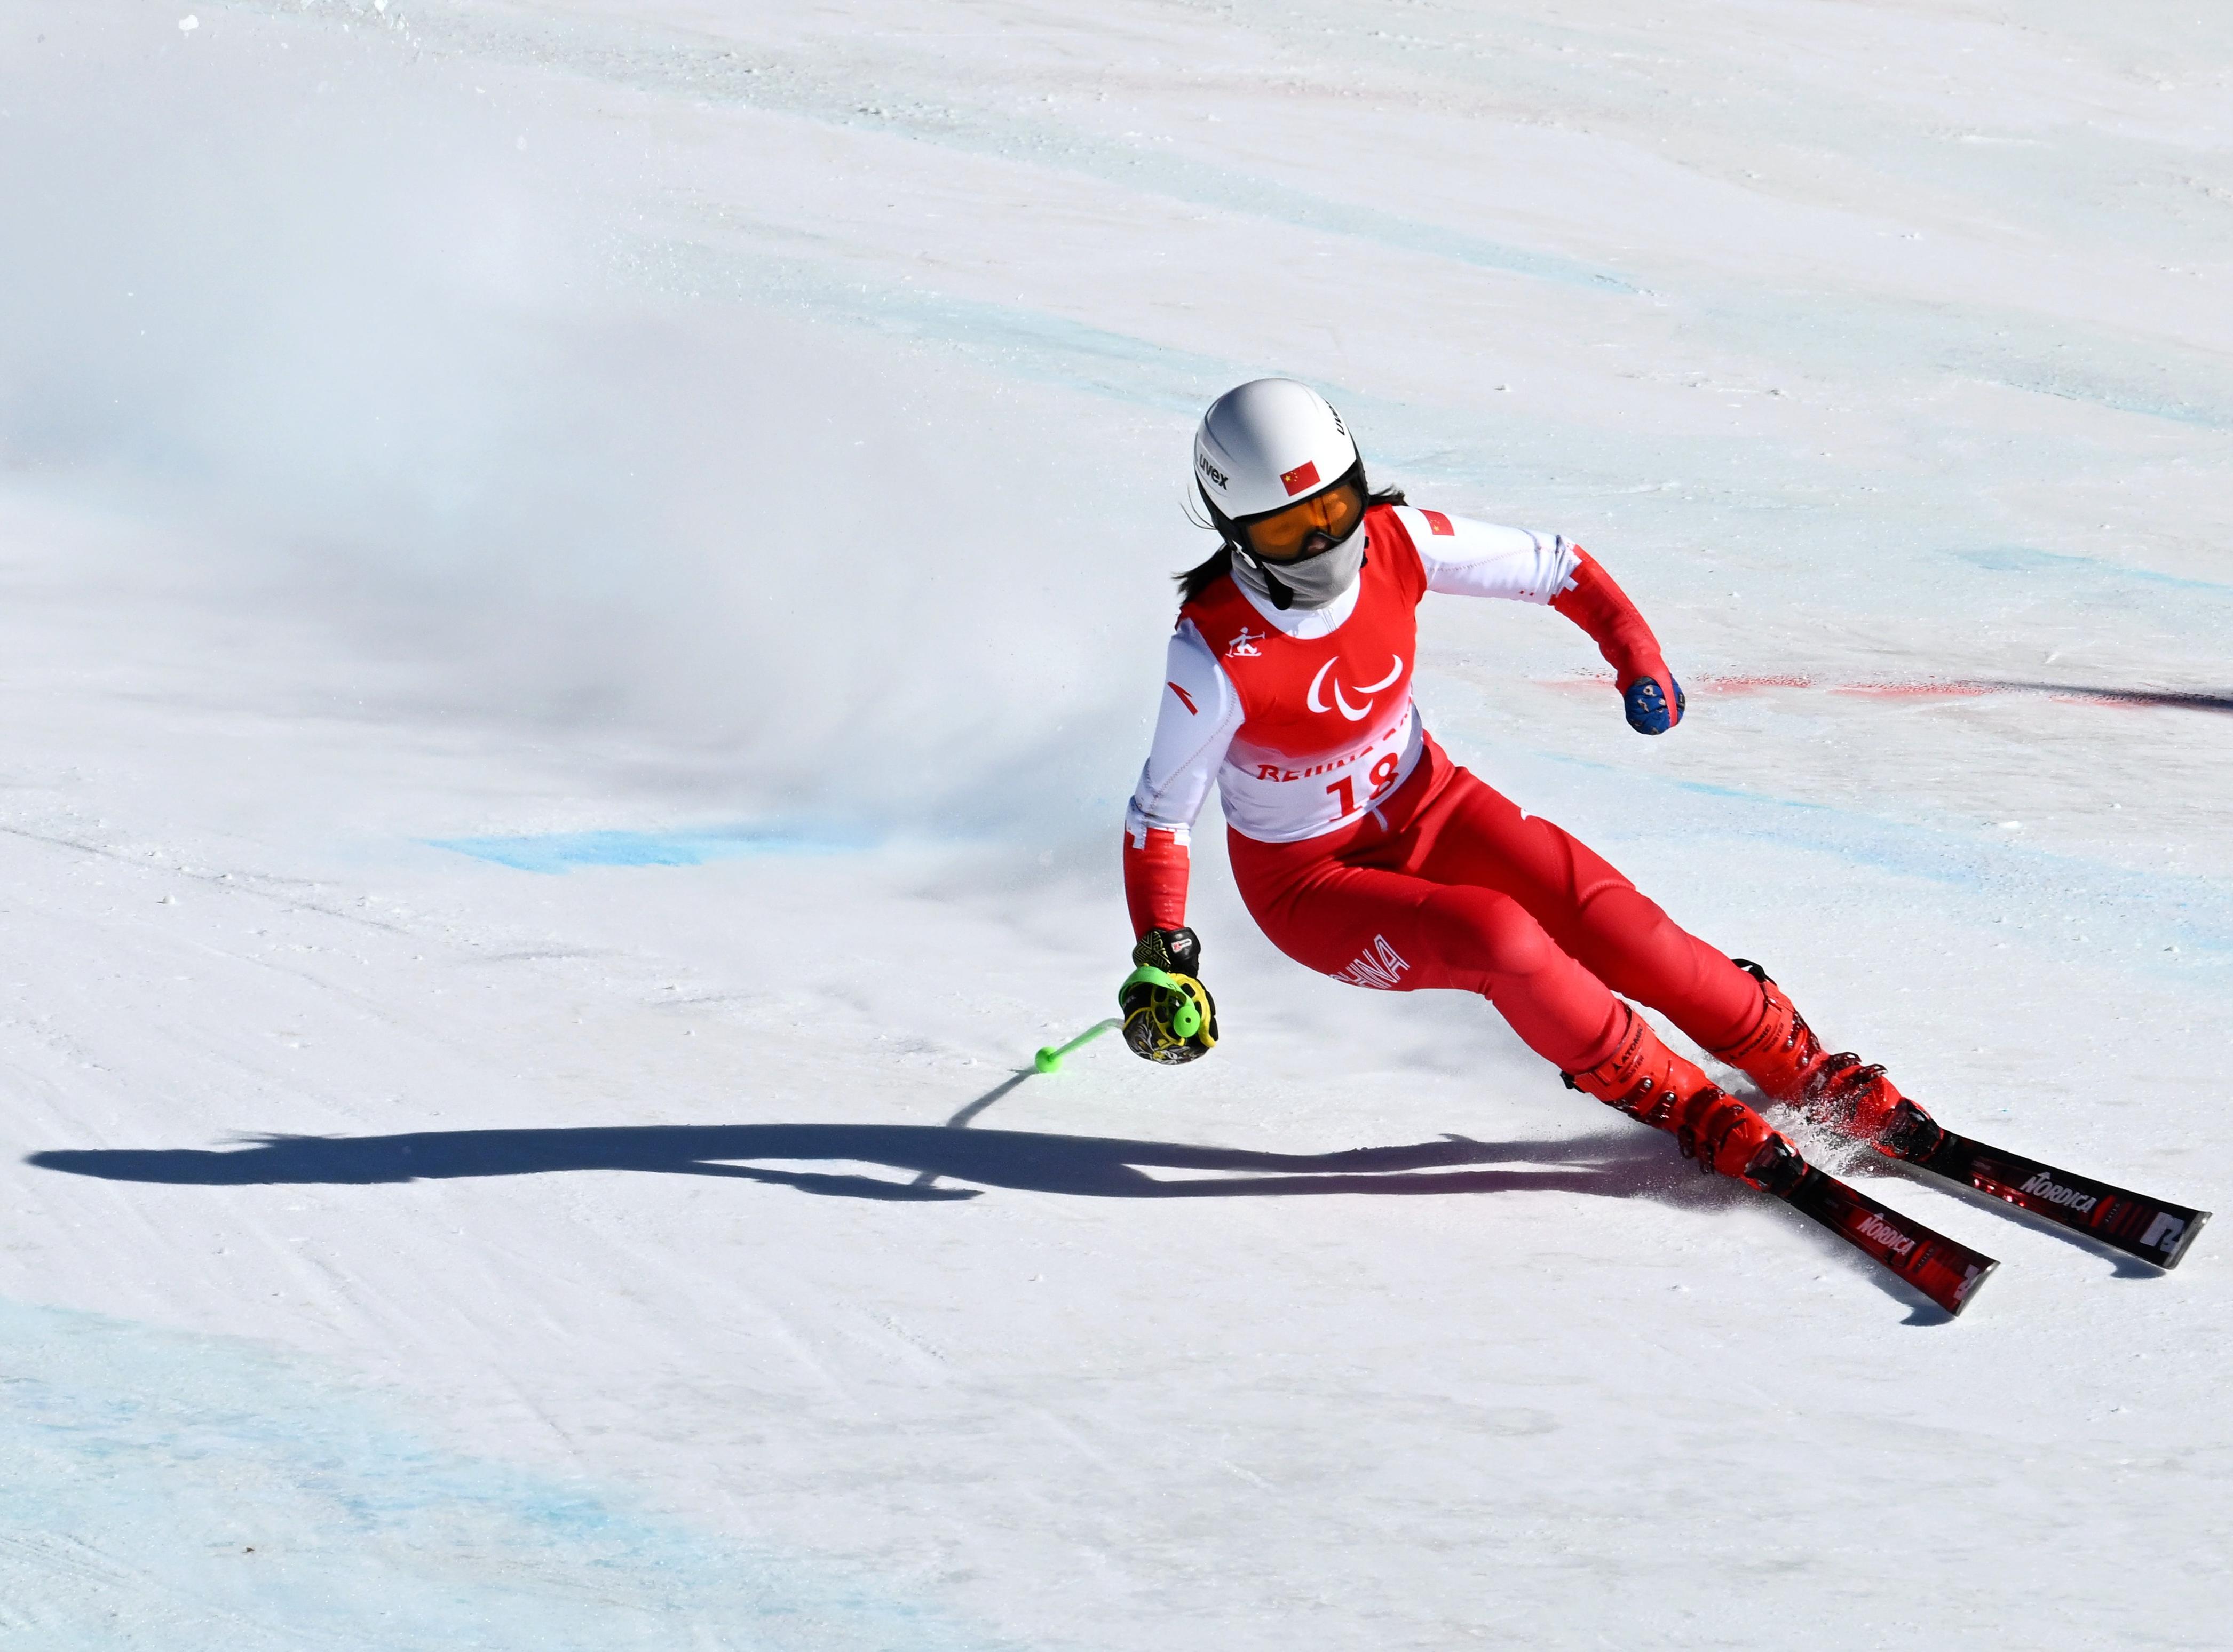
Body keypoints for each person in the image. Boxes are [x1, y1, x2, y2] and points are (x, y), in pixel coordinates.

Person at [1118, 378, 1943, 1193]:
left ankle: (1791, 1061)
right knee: (1501, 938)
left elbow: (1556, 566)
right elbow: (1160, 815)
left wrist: (1635, 654)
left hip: (1433, 806)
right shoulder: (1214, 654)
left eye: (1336, 509)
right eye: (1292, 530)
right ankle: (1681, 1101)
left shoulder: (1395, 541)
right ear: (1236, 529)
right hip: (1308, 884)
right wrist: (1163, 951)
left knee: (1623, 931)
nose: (1328, 542)